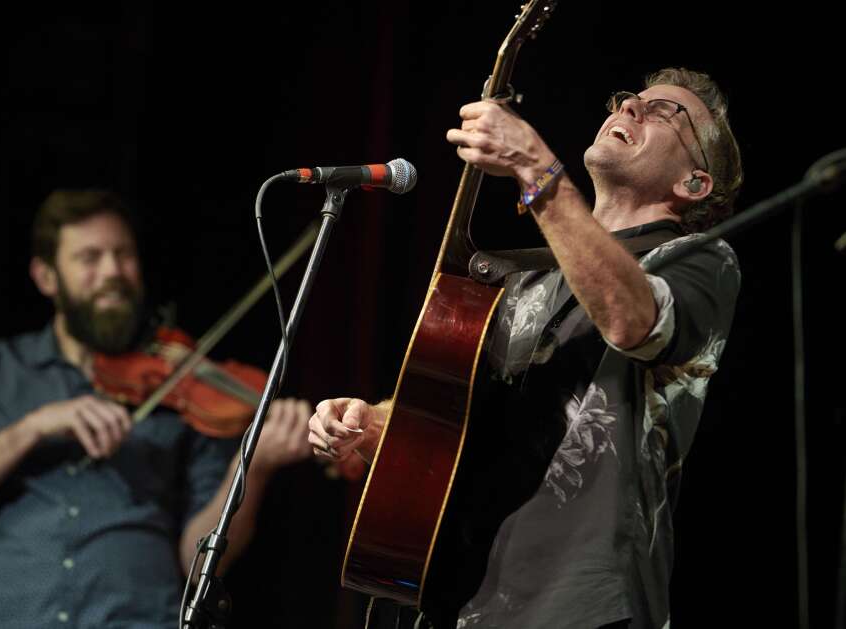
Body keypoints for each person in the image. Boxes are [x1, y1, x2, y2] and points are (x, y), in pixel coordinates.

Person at [308, 67, 743, 629]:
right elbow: (465, 410)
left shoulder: (700, 260)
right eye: (630, 98)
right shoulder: (526, 279)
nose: (632, 107)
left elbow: (630, 319)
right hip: (459, 598)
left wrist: (537, 168)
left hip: (582, 602)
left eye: (665, 112)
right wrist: (377, 422)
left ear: (693, 184)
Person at [0, 189, 313, 628]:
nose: (112, 272)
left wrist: (253, 467)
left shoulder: (182, 387)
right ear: (46, 277)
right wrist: (30, 428)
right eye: (90, 258)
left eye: (123, 255)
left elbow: (199, 561)